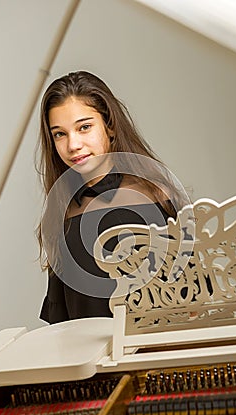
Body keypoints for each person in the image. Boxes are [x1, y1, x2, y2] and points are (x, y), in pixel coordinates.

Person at [36, 70, 188, 324]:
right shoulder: (60, 215)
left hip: (158, 358)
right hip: (90, 362)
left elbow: (190, 300)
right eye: (60, 134)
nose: (73, 145)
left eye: (84, 127)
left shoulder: (158, 196)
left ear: (110, 126)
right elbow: (60, 322)